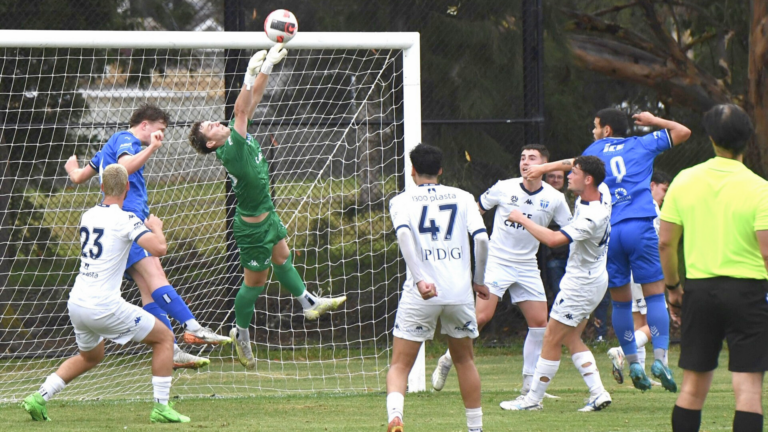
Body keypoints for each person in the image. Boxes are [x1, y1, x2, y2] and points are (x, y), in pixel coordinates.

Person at [186, 43, 346, 370]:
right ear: (212, 143)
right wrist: (249, 71)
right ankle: (240, 332)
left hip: (267, 214)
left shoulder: (234, 133)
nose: (216, 123)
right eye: (210, 128)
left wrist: (266, 68)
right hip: (252, 228)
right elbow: (243, 108)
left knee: (283, 257)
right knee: (254, 284)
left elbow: (252, 100)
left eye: (212, 122)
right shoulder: (230, 149)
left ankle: (308, 302)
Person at [526, 109, 691, 392]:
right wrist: (653, 121)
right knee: (654, 298)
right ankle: (661, 358)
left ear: (607, 130)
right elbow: (683, 132)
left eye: (595, 126)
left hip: (612, 230)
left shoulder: (595, 149)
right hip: (640, 226)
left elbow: (573, 164)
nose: (593, 131)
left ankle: (633, 362)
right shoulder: (642, 143)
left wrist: (542, 169)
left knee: (622, 303)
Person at [65, 106, 230, 370]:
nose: (161, 136)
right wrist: (151, 148)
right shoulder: (125, 139)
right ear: (145, 124)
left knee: (148, 290)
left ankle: (172, 350)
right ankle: (194, 327)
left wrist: (72, 168)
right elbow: (124, 166)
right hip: (127, 222)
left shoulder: (106, 147)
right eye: (160, 130)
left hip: (118, 223)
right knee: (156, 277)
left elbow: (79, 177)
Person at [21, 164, 189, 423]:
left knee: (92, 356)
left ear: (101, 187)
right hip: (104, 305)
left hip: (77, 302)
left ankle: (39, 396)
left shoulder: (88, 215)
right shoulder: (126, 219)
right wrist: (156, 226)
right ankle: (161, 408)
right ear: (128, 188)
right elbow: (160, 248)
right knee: (165, 338)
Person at [659, 104, 768, 432]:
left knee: (692, 387)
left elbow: (665, 243)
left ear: (710, 138)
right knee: (748, 389)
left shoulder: (684, 180)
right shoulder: (760, 189)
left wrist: (673, 287)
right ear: (748, 140)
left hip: (700, 292)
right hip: (749, 292)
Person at [431, 145, 571, 397]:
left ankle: (529, 386)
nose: (525, 162)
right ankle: (448, 359)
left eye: (532, 158)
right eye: (522, 158)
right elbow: (477, 209)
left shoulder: (554, 198)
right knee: (481, 317)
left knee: (540, 323)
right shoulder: (504, 187)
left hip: (528, 265)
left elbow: (569, 230)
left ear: (545, 165)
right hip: (497, 260)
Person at [386, 143, 490, 432]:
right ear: (441, 170)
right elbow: (481, 239)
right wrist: (478, 280)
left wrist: (420, 278)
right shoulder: (464, 197)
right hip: (458, 292)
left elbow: (405, 237)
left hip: (422, 292)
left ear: (413, 171)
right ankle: (475, 428)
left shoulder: (402, 200)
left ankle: (396, 416)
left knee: (400, 365)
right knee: (464, 361)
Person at [500, 156, 612, 412]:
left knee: (550, 337)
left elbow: (552, 239)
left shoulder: (591, 217)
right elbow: (575, 159)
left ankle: (531, 400)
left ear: (588, 179)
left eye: (574, 173)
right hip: (593, 279)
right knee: (572, 338)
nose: (567, 176)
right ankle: (598, 392)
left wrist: (522, 218)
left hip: (580, 286)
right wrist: (543, 167)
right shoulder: (601, 191)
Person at [607, 170, 672, 385]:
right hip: (646, 271)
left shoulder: (628, 205)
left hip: (629, 271)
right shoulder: (651, 208)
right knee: (658, 319)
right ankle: (622, 352)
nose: (665, 195)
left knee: (640, 322)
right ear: (651, 185)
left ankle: (640, 371)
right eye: (664, 189)